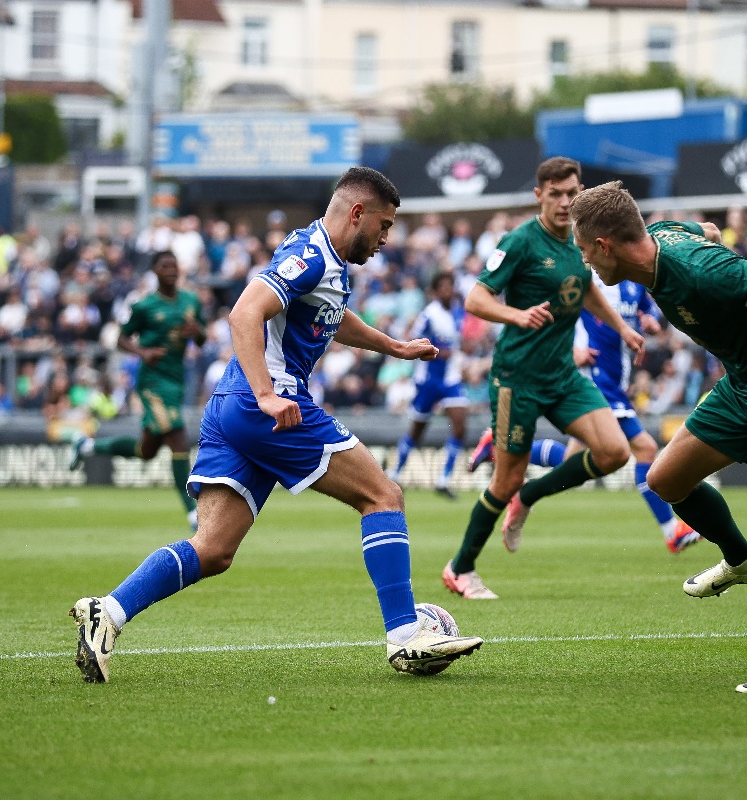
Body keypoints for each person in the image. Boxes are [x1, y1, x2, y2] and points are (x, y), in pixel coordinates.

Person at [69, 167, 483, 683]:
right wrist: (267, 394)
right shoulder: (311, 257)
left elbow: (331, 315)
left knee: (214, 549)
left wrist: (394, 346)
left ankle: (106, 613)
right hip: (268, 406)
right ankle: (406, 635)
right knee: (383, 496)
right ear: (358, 213)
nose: (385, 239)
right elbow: (244, 313)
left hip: (235, 404)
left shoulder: (319, 253)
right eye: (384, 225)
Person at [569, 180, 747, 693]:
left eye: (584, 251)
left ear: (604, 245)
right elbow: (705, 229)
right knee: (666, 478)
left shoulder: (704, 275)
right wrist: (710, 234)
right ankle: (742, 560)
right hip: (738, 386)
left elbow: (719, 262)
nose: (585, 265)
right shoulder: (664, 237)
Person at [442, 157, 644, 601]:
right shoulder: (519, 243)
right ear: (539, 195)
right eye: (555, 194)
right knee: (504, 480)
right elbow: (476, 298)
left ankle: (531, 494)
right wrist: (516, 314)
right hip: (518, 379)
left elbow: (587, 288)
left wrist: (621, 327)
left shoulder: (580, 239)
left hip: (563, 375)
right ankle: (460, 568)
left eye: (571, 192)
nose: (564, 202)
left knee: (614, 452)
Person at [468, 271, 701, 554]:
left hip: (615, 380)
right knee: (645, 448)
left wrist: (647, 317)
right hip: (594, 379)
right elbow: (551, 312)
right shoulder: (587, 277)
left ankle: (498, 446)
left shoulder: (630, 277)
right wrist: (571, 349)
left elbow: (643, 305)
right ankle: (671, 531)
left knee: (571, 461)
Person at [70, 250, 206, 532]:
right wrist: (142, 352)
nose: (170, 270)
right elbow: (119, 337)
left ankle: (87, 445)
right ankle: (192, 511)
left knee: (146, 450)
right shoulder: (145, 306)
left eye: (174, 265)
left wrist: (198, 332)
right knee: (178, 437)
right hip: (152, 381)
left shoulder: (191, 301)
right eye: (164, 266)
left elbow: (202, 338)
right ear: (155, 271)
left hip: (176, 379)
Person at [387, 272, 469, 499]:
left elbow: (459, 343)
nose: (447, 291)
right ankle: (394, 472)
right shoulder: (428, 315)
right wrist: (440, 351)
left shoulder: (458, 313)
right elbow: (414, 341)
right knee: (417, 431)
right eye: (443, 287)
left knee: (461, 426)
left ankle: (444, 480)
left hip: (450, 379)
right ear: (435, 291)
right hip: (428, 380)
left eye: (450, 286)